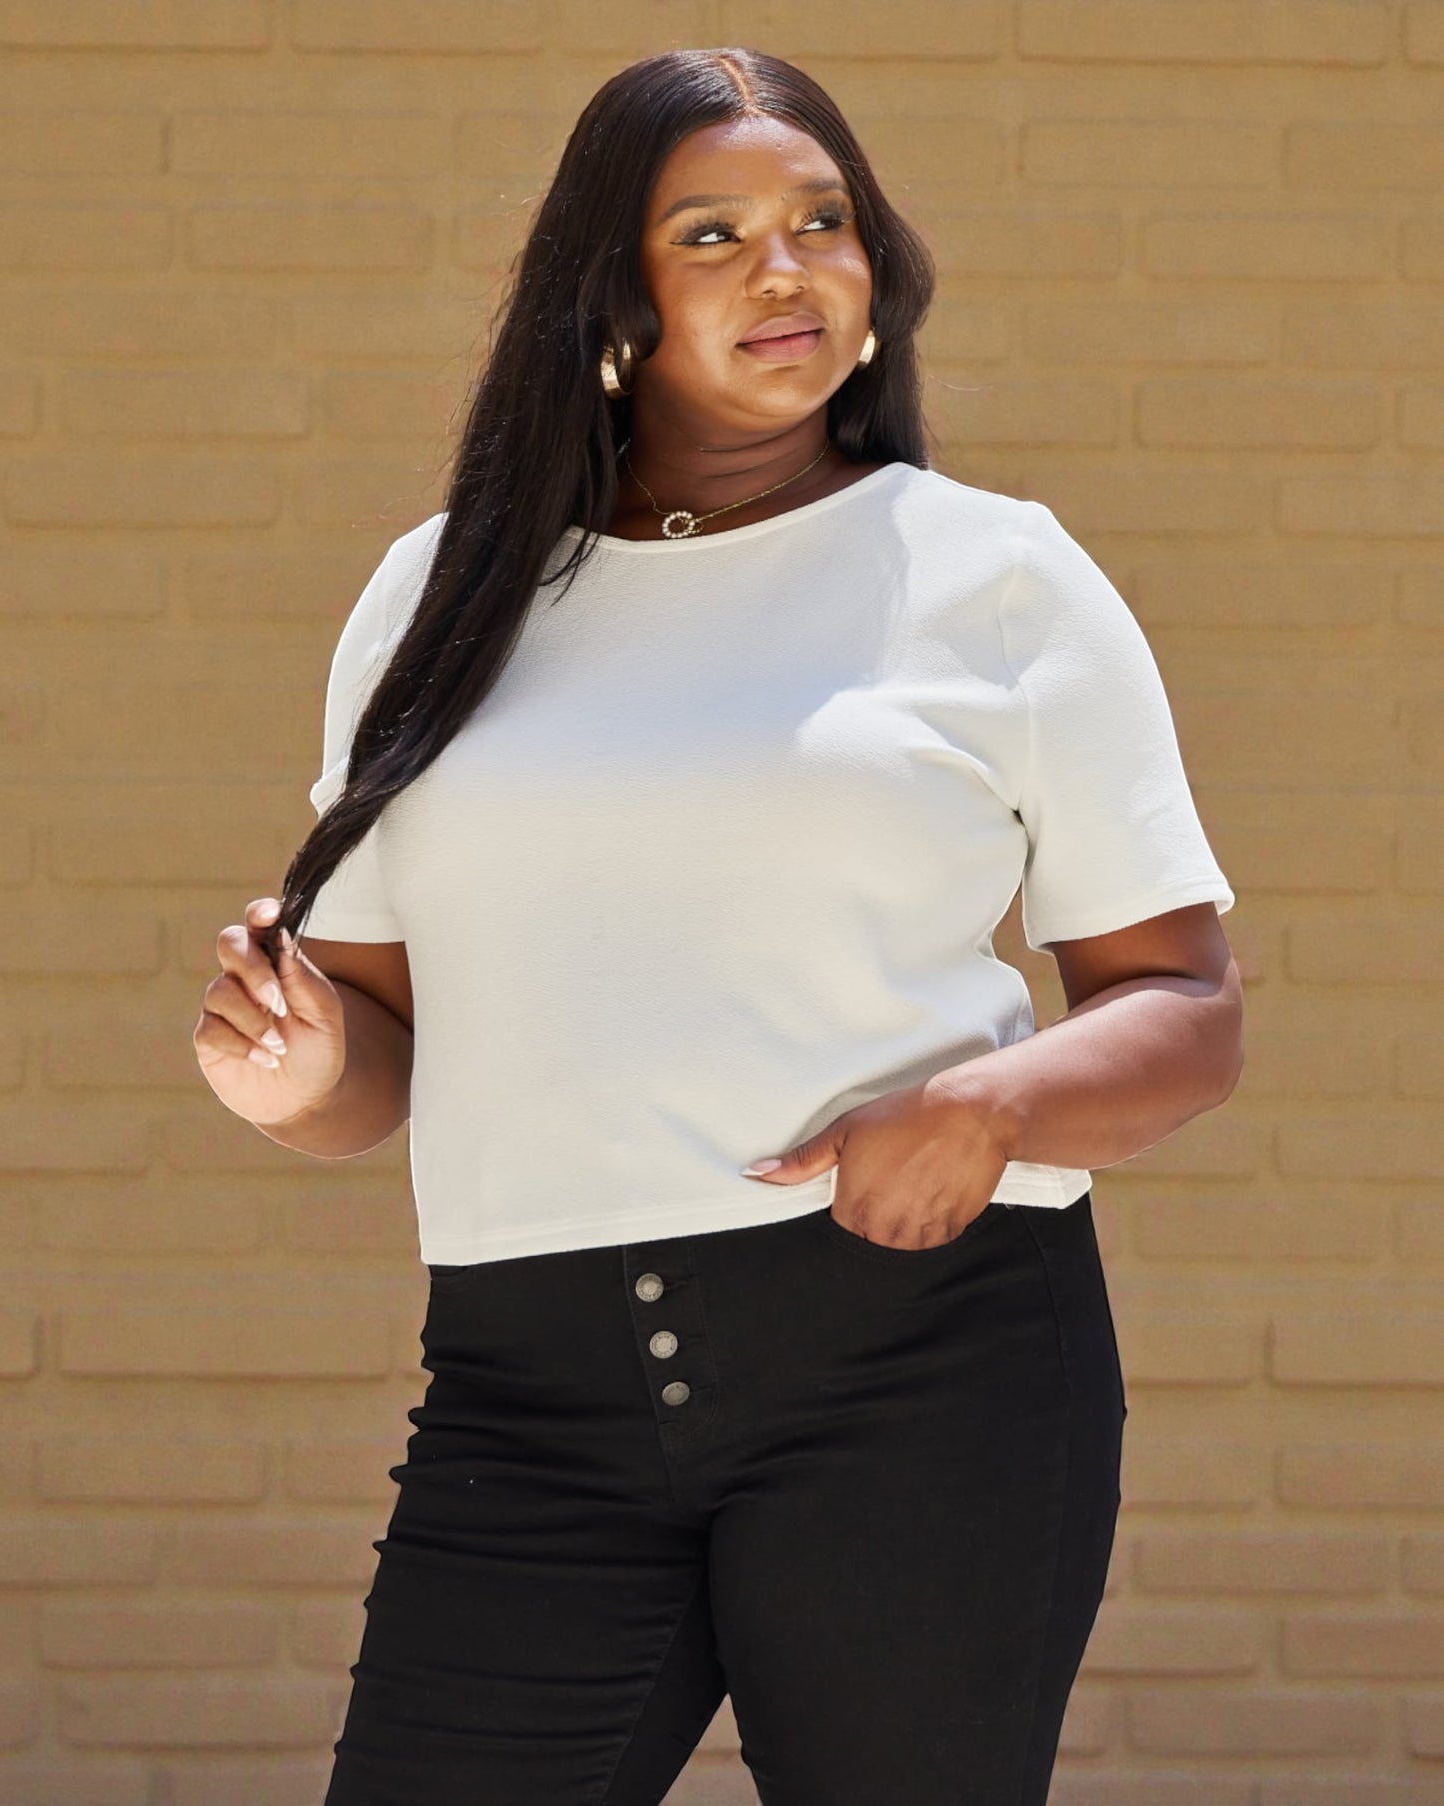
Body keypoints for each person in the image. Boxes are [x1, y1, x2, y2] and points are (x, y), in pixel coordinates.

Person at [193, 46, 1243, 1806]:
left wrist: (987, 1108)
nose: (787, 268)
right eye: (716, 234)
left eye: (821, 222)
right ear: (610, 292)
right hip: (526, 1393)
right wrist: (292, 1072)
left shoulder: (992, 573)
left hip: (922, 1371)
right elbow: (373, 1065)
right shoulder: (438, 596)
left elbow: (1185, 1006)